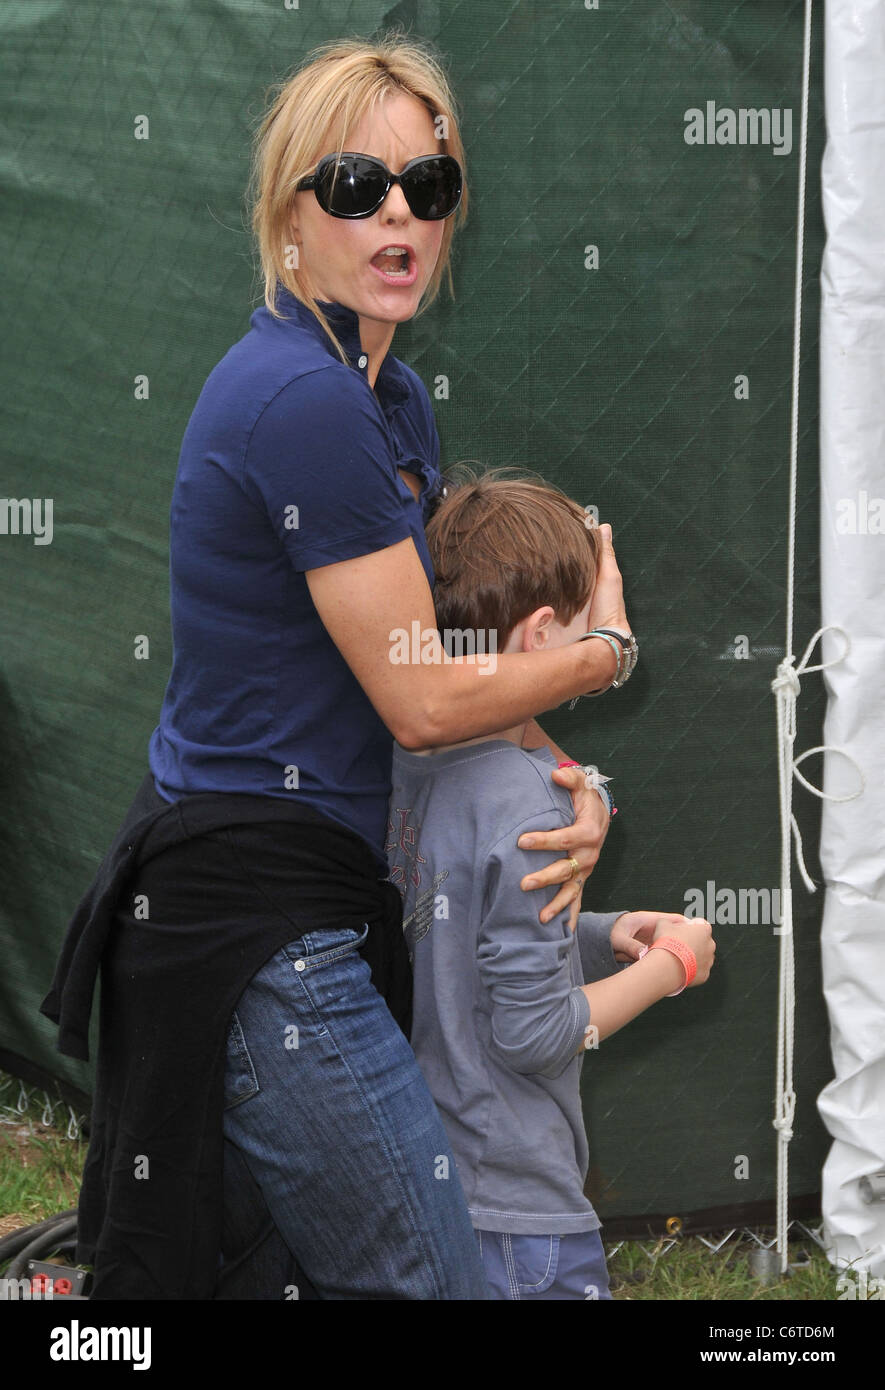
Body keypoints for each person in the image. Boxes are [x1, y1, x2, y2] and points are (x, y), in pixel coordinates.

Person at [41, 35, 637, 1300]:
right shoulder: (302, 402)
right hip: (261, 927)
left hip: (326, 892)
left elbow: (429, 654)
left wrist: (565, 782)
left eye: (431, 187)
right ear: (289, 212)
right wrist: (597, 655)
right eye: (358, 185)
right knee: (434, 1278)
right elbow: (424, 703)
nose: (400, 215)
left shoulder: (389, 398)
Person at [386, 472, 716, 1301]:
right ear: (543, 636)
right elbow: (534, 1036)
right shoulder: (525, 800)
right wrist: (669, 966)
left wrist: (601, 936)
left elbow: (462, 930)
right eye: (585, 631)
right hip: (520, 1213)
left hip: (436, 1179)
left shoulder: (412, 761)